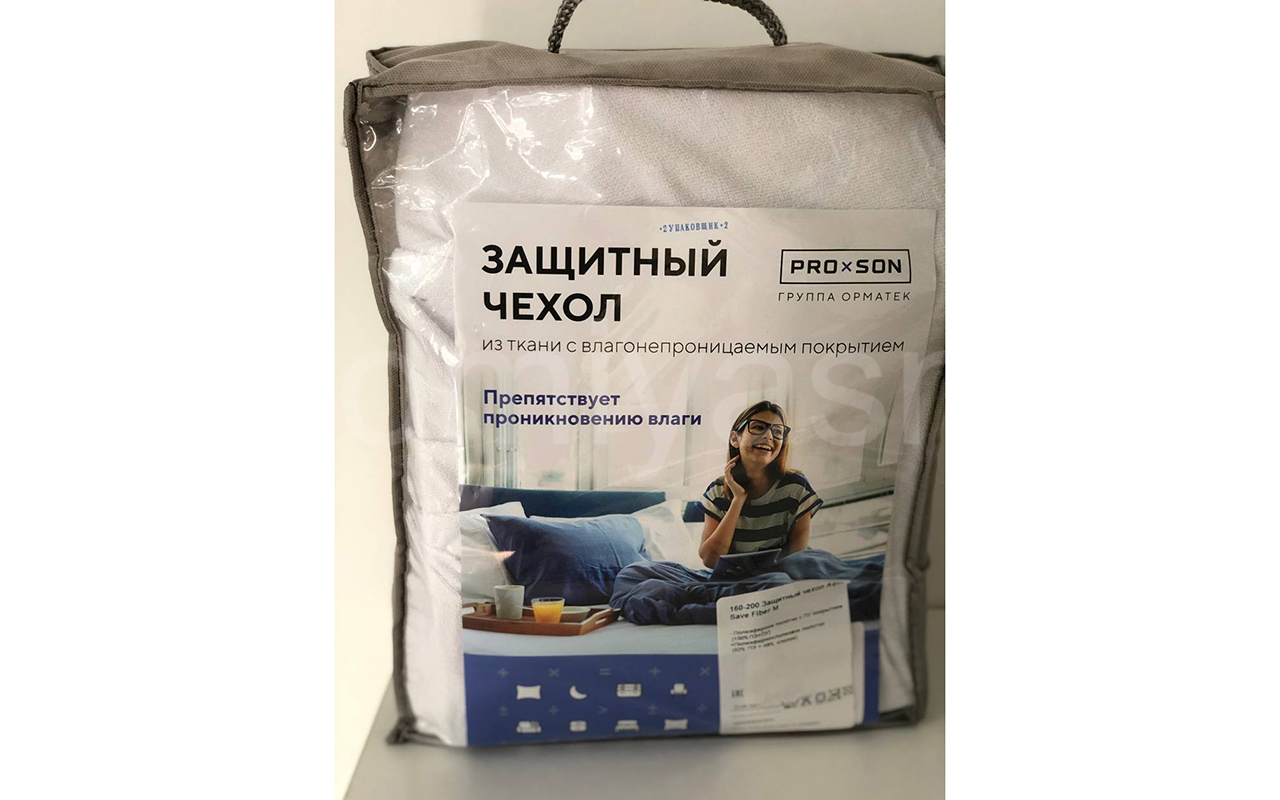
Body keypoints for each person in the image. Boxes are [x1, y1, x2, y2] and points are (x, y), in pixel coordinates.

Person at [698, 401, 822, 567]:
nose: (769, 436)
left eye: (777, 431)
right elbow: (710, 560)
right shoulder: (717, 491)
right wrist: (738, 500)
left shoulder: (796, 488)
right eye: (758, 427)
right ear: (735, 439)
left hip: (780, 574)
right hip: (734, 576)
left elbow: (796, 559)